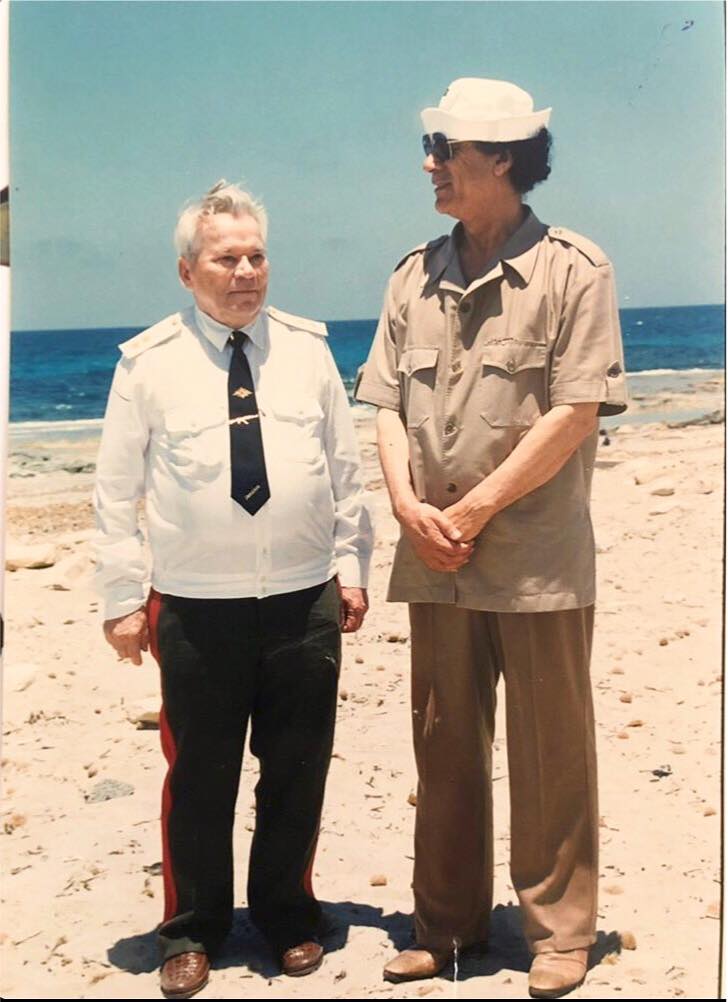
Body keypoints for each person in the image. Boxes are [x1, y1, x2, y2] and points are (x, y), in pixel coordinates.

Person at [355, 78, 627, 998]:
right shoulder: (410, 274)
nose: (429, 164)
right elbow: (386, 407)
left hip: (536, 562)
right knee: (442, 745)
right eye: (431, 147)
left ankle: (559, 934)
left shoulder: (574, 269)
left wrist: (468, 514)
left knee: (552, 751)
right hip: (433, 559)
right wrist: (407, 509)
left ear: (501, 159)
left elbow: (575, 413)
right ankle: (445, 927)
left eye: (446, 149)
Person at [94, 180, 373, 999]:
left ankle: (287, 915)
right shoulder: (148, 364)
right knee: (201, 776)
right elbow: (115, 494)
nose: (246, 271)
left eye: (256, 256)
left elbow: (346, 476)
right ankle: (192, 931)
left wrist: (351, 569)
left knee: (297, 768)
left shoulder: (310, 351)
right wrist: (120, 599)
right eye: (226, 258)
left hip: (302, 597)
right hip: (193, 606)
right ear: (188, 272)